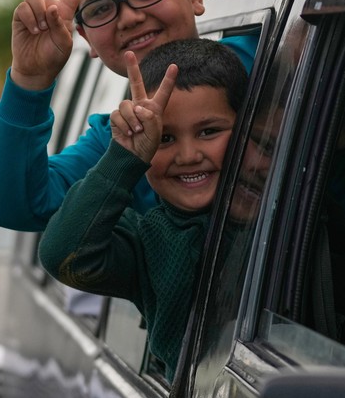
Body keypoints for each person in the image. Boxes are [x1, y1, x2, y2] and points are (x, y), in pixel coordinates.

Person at [0, 0, 258, 233]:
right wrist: (29, 80)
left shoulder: (270, 57)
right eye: (100, 9)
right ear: (86, 39)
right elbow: (18, 207)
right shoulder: (121, 141)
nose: (129, 18)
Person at [39, 39, 247, 379]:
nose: (189, 155)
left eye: (209, 131)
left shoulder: (277, 211)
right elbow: (62, 254)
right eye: (164, 139)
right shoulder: (146, 239)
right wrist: (126, 157)